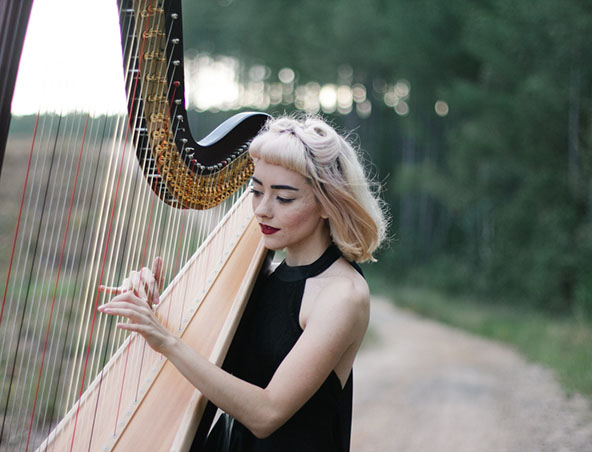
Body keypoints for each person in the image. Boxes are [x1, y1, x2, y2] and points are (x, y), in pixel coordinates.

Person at [99, 114, 388, 451]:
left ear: (327, 204)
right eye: (256, 191)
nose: (263, 210)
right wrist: (156, 310)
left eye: (283, 198)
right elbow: (213, 358)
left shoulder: (342, 295)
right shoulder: (260, 278)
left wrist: (166, 340)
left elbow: (267, 414)